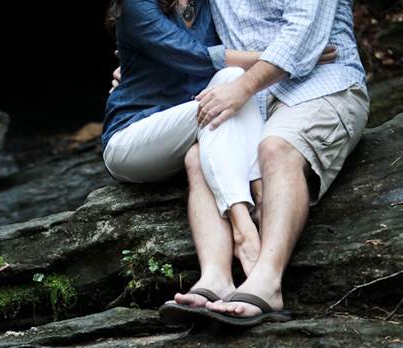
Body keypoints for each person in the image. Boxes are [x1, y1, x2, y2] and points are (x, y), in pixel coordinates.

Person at [103, 1, 337, 307]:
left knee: (230, 83)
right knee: (225, 95)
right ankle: (245, 228)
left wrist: (284, 59)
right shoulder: (135, 5)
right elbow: (194, 57)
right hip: (132, 137)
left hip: (186, 128)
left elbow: (226, 64)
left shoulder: (206, 5)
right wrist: (290, 59)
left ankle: (220, 281)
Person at [161, 0, 369, 328]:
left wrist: (241, 87)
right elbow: (184, 35)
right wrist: (138, 69)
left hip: (320, 86)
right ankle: (216, 279)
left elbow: (301, 38)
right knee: (197, 158)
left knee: (274, 148)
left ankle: (267, 283)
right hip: (246, 100)